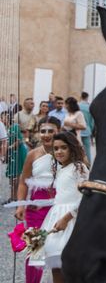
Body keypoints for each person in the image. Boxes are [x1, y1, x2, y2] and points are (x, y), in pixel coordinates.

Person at [30, 131, 88, 283]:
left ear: (72, 149)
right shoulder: (61, 169)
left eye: (64, 148)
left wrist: (67, 218)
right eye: (56, 149)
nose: (59, 151)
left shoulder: (79, 167)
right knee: (55, 263)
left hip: (72, 219)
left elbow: (85, 197)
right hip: (56, 217)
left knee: (70, 264)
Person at [14, 116, 60, 283]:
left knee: (59, 250)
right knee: (35, 250)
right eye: (43, 131)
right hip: (36, 208)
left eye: (51, 131)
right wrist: (20, 205)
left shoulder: (67, 153)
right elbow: (23, 181)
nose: (46, 135)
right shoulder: (33, 155)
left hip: (60, 207)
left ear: (59, 132)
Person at [5, 110, 28, 201]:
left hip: (18, 153)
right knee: (12, 176)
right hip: (12, 154)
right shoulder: (7, 128)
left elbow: (19, 141)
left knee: (16, 175)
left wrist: (8, 148)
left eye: (4, 117)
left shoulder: (15, 127)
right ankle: (12, 197)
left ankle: (16, 197)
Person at [77, 92, 94, 163]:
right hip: (87, 130)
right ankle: (88, 166)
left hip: (77, 130)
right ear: (87, 97)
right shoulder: (89, 107)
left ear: (81, 97)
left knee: (77, 149)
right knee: (87, 151)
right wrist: (91, 131)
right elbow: (92, 121)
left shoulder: (77, 106)